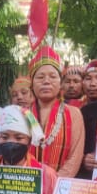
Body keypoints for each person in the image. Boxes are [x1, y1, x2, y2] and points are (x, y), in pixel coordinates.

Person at [30, 46, 86, 178]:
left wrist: (52, 184)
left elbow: (75, 157)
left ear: (60, 83)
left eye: (52, 76)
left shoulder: (74, 114)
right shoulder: (21, 114)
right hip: (25, 186)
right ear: (31, 83)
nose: (46, 81)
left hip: (59, 189)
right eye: (40, 77)